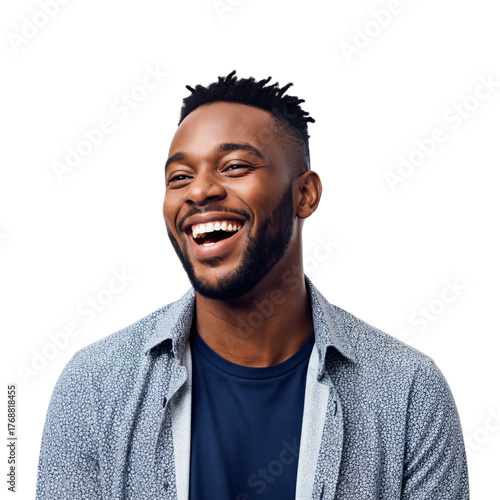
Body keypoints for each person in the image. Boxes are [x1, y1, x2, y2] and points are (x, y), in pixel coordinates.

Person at [36, 70, 470, 499]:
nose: (200, 191)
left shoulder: (409, 392)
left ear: (306, 195)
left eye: (235, 166)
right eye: (180, 177)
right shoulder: (93, 386)